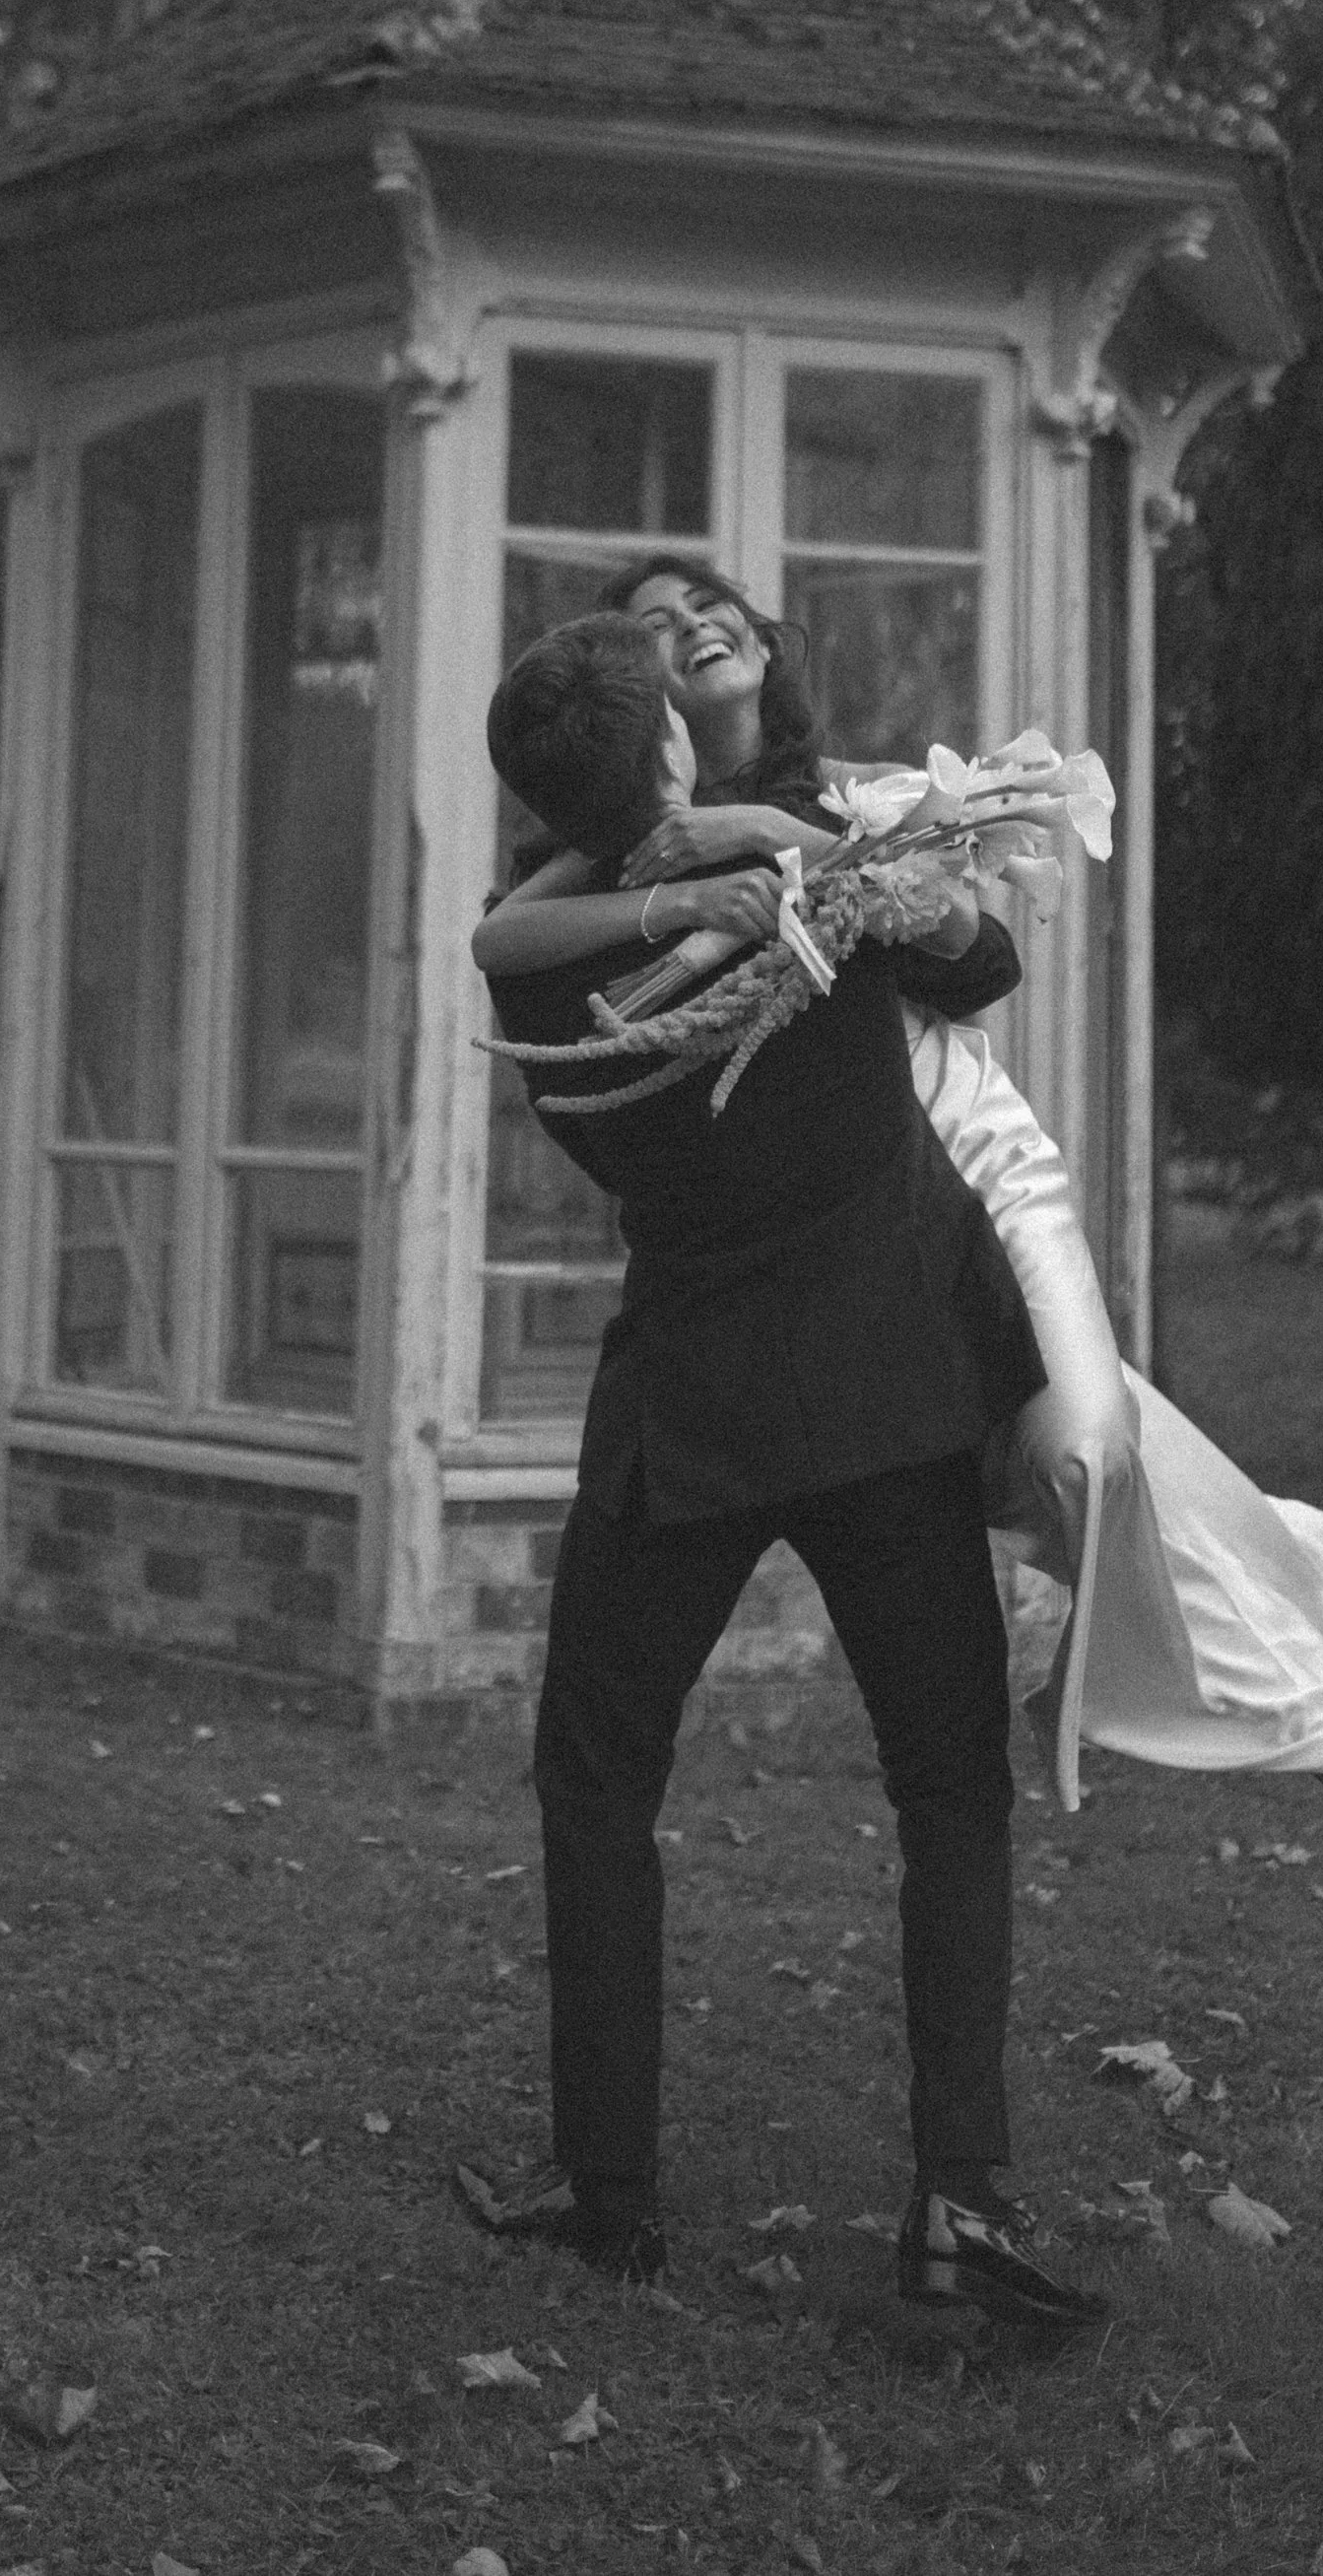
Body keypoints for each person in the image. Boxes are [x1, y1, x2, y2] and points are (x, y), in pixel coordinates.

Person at [474, 557, 1323, 1873]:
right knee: (1073, 1464)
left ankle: (1276, 1714)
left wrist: (769, 839)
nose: (694, 627)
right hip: (857, 1237)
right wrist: (680, 881)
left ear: (763, 649)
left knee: (1090, 1446)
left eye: (715, 611)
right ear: (644, 713)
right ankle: (1287, 1710)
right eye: (656, 628)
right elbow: (507, 952)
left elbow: (984, 963)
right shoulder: (598, 870)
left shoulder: (853, 802)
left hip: (968, 1154)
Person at [460, 611, 1109, 2328]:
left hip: (694, 1413)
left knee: (599, 1777)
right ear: (668, 752)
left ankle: (612, 2200)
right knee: (947, 1786)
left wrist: (752, 864)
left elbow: (512, 922)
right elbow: (980, 973)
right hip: (889, 1396)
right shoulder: (815, 886)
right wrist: (891, 890)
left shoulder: (539, 961)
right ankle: (957, 2204)